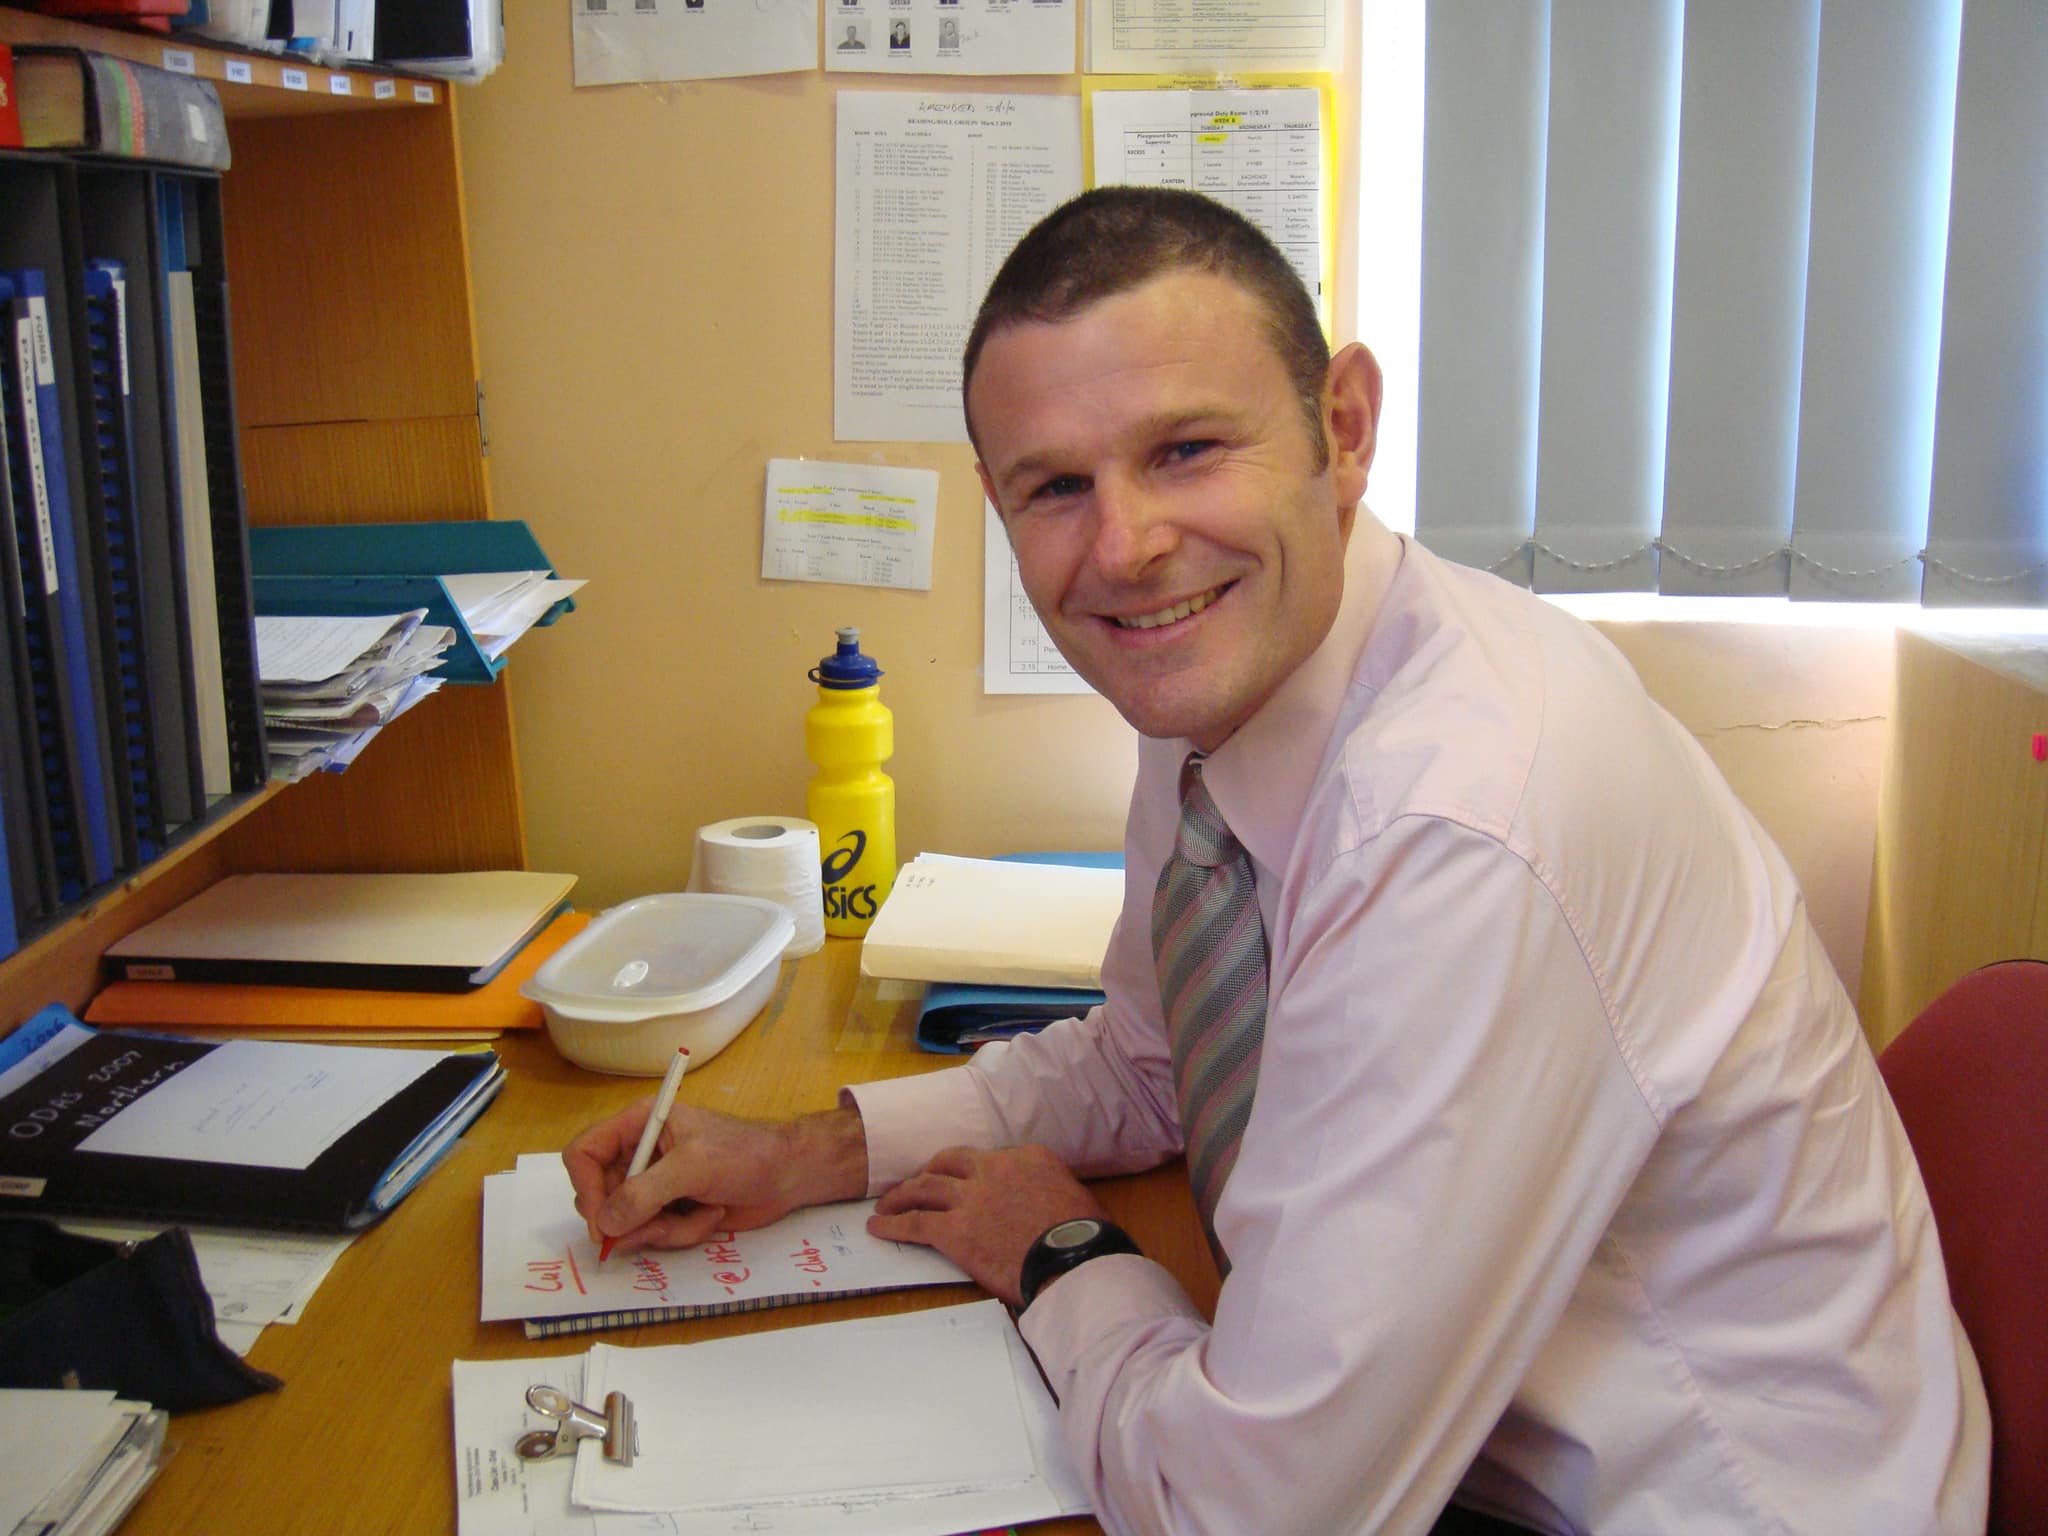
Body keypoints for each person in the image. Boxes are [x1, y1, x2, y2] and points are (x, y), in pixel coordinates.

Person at [566, 187, 1989, 1534]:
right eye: (1055, 487)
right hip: (1460, 1439)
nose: (1126, 546)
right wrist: (807, 1153)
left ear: (1343, 428)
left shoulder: (1457, 827)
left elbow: (1252, 1513)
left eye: (1186, 450)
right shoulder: (1234, 682)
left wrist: (1063, 1258)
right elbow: (1153, 1062)